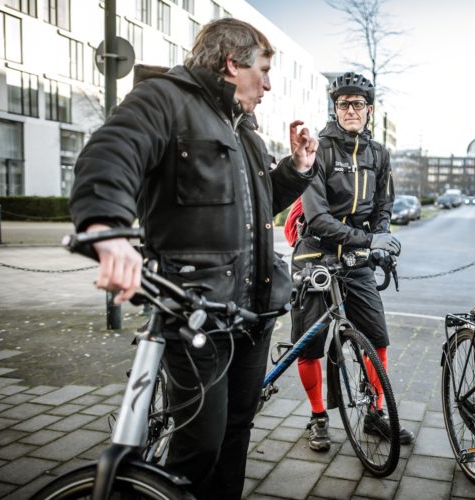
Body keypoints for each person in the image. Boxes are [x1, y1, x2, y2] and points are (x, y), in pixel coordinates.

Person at [69, 18, 317, 499]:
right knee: (200, 445)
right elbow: (111, 153)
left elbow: (256, 200)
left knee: (236, 433)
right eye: (263, 71)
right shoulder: (164, 99)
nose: (268, 85)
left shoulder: (244, 128)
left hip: (252, 311)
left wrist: (297, 170)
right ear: (232, 63)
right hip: (195, 312)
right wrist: (107, 229)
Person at [289, 72, 414, 451]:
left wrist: (378, 238)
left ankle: (375, 413)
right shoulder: (321, 149)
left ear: (369, 110)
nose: (351, 110)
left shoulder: (379, 153)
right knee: (308, 342)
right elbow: (317, 218)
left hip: (357, 256)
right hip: (315, 254)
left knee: (376, 337)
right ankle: (318, 416)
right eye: (343, 104)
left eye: (358, 104)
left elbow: (384, 205)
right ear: (335, 108)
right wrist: (368, 238)